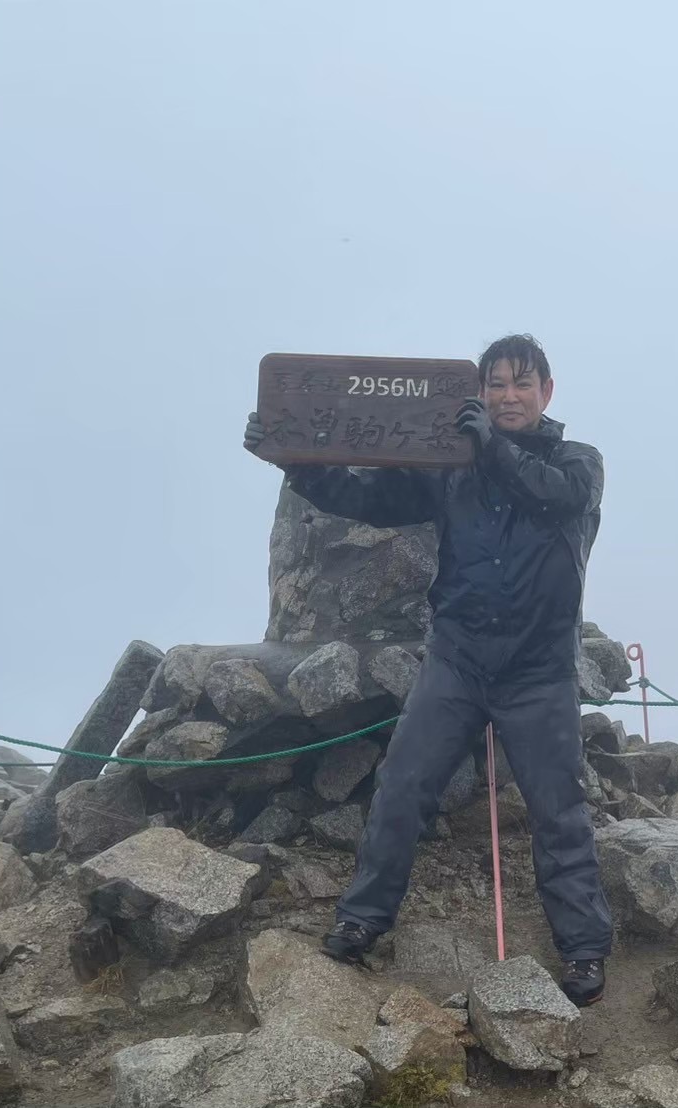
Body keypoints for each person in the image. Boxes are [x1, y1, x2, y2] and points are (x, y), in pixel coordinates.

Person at [243, 334, 613, 1005]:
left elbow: (551, 497)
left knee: (559, 812)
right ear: (479, 391)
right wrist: (293, 459)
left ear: (547, 393)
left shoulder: (577, 462)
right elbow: (369, 499)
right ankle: (361, 920)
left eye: (521, 384)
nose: (508, 396)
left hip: (539, 669)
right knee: (401, 788)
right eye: (495, 384)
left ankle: (585, 951)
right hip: (457, 659)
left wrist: (488, 448)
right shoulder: (451, 465)